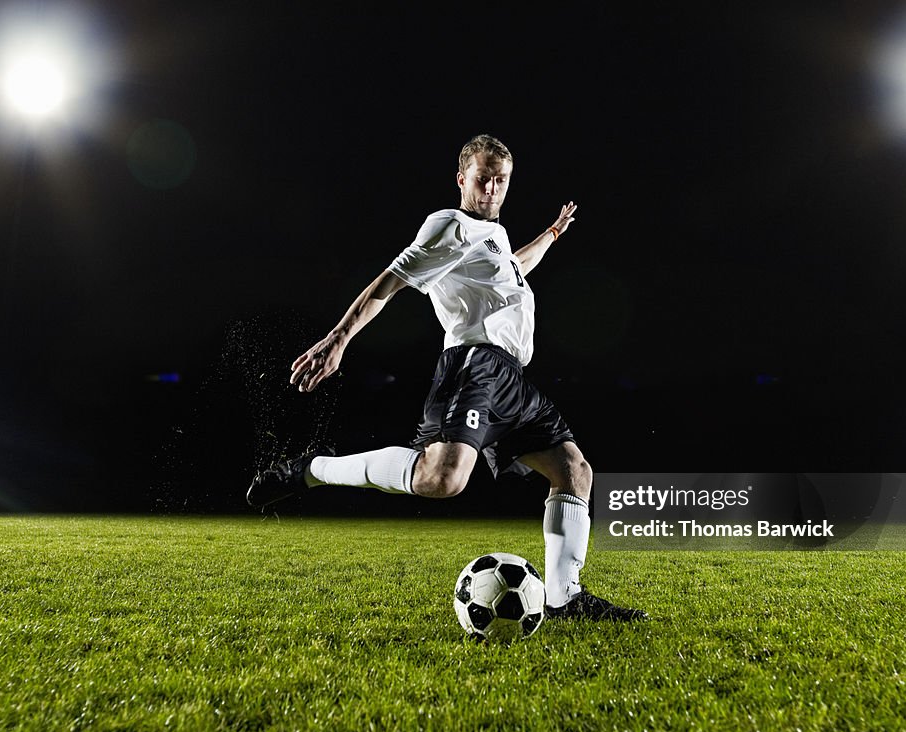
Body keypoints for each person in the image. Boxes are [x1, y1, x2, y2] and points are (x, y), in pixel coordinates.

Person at [247, 134, 646, 621]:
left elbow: (515, 269)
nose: (492, 190)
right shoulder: (450, 226)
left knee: (574, 471)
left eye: (501, 182)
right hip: (474, 365)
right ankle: (312, 470)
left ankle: (566, 598)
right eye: (483, 179)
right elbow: (391, 280)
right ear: (462, 179)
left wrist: (552, 233)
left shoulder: (492, 238)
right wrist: (339, 338)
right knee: (442, 479)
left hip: (511, 378)